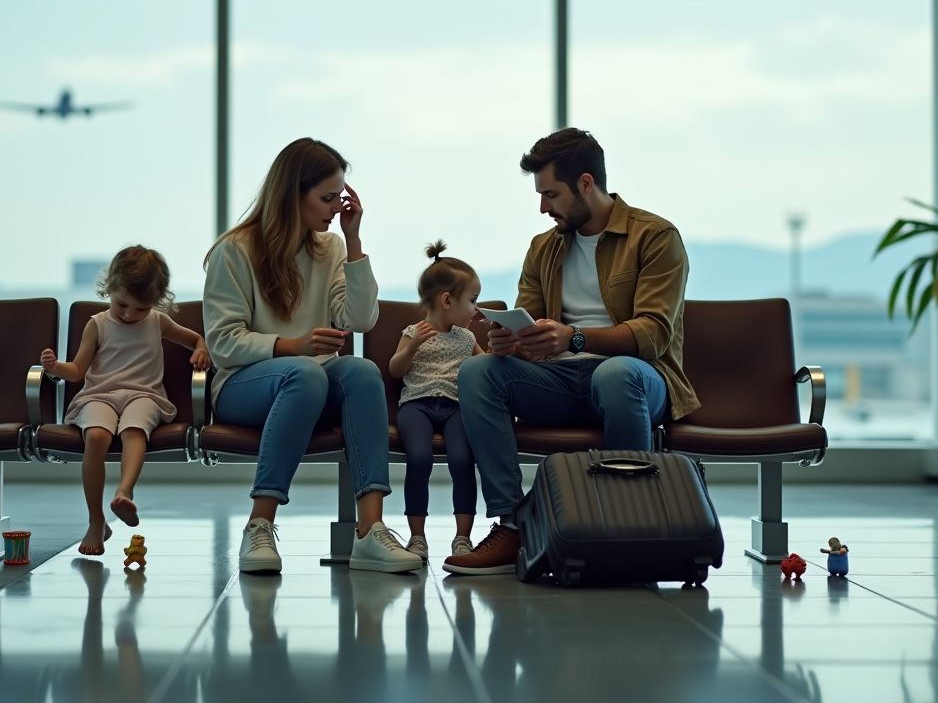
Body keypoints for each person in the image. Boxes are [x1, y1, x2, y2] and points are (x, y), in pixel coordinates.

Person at [443, 128, 699, 576]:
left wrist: (575, 338)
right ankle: (513, 525)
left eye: (551, 194)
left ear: (585, 183)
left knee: (615, 374)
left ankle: (626, 524)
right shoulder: (543, 248)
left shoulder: (656, 236)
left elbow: (654, 333)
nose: (543, 208)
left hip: (637, 379)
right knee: (480, 371)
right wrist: (509, 344)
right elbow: (534, 331)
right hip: (560, 382)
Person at [202, 137, 422, 575]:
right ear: (291, 195)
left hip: (311, 381)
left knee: (361, 371)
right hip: (243, 385)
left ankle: (370, 532)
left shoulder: (332, 248)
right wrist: (292, 346)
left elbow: (360, 319)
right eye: (326, 199)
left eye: (340, 198)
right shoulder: (235, 250)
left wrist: (354, 240)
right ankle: (259, 525)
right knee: (304, 373)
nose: (335, 209)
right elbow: (222, 342)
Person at [41, 245, 210, 556]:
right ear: (110, 288)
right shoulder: (98, 324)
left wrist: (200, 350)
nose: (130, 315)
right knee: (96, 436)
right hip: (100, 394)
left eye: (141, 308)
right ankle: (96, 521)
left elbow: (196, 339)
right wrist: (55, 368)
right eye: (122, 304)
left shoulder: (158, 321)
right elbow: (77, 371)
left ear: (156, 303)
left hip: (143, 395)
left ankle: (124, 492)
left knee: (134, 430)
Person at [387, 241, 485, 562]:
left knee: (461, 461)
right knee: (419, 459)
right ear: (447, 300)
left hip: (456, 407)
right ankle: (417, 537)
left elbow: (486, 370)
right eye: (472, 301)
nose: (475, 309)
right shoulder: (413, 332)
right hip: (417, 405)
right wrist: (412, 346)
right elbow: (395, 369)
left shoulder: (468, 338)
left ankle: (463, 538)